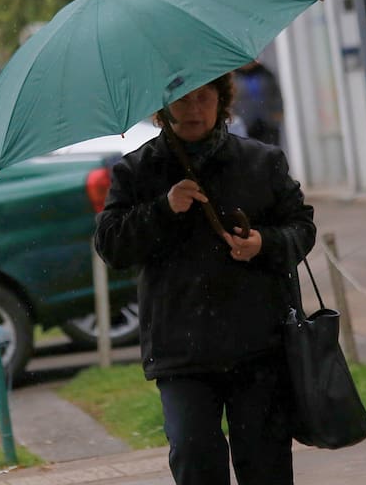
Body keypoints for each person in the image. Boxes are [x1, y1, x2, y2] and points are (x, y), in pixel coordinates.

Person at [94, 72, 316, 485]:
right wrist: (164, 207)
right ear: (162, 109)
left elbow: (302, 229)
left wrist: (263, 243)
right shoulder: (137, 171)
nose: (194, 109)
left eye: (204, 97)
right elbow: (111, 245)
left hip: (258, 344)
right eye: (181, 100)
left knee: (265, 462)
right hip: (181, 349)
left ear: (222, 100)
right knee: (194, 455)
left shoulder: (261, 161)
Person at [233, 60, 284, 145]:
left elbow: (275, 94)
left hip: (267, 120)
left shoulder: (265, 73)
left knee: (271, 148)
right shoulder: (234, 77)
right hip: (247, 122)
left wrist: (278, 111)